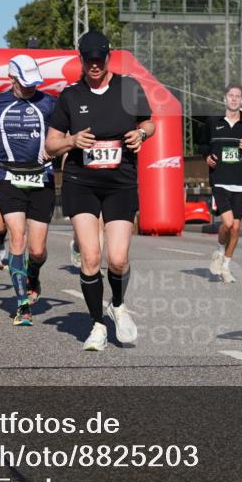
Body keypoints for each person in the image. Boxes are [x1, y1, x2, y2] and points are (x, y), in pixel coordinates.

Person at [46, 31, 154, 351]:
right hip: (82, 183)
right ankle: (97, 324)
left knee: (117, 259)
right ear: (81, 59)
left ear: (108, 58)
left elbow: (149, 123)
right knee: (91, 259)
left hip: (120, 182)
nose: (94, 65)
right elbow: (50, 145)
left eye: (100, 59)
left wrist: (141, 134)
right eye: (88, 59)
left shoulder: (129, 88)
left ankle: (117, 306)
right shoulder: (70, 96)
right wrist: (70, 141)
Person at [0, 54, 57, 326]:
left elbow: (61, 135)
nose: (31, 88)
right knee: (17, 238)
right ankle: (22, 304)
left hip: (41, 179)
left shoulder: (48, 102)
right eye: (25, 84)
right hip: (8, 177)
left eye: (34, 83)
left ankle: (33, 275)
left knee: (37, 250)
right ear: (11, 78)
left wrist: (56, 150)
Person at [201, 83, 242, 283]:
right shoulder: (212, 122)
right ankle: (218, 250)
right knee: (227, 223)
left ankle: (225, 266)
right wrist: (207, 156)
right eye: (231, 95)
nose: (234, 99)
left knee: (235, 228)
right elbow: (202, 145)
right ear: (224, 98)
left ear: (241, 100)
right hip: (220, 180)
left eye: (238, 96)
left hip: (240, 182)